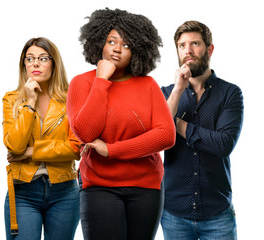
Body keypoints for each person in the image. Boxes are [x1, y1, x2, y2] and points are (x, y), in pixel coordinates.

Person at [66, 8, 176, 240]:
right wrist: (101, 80)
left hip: (146, 187)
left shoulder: (148, 85)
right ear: (98, 43)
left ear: (137, 50)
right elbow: (86, 132)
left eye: (126, 45)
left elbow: (166, 135)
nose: (117, 49)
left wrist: (112, 149)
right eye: (111, 41)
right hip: (99, 186)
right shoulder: (82, 83)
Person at [160, 21, 244, 240]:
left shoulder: (230, 94)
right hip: (174, 213)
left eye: (195, 43)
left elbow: (223, 144)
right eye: (182, 45)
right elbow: (160, 137)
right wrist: (178, 89)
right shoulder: (166, 94)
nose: (188, 50)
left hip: (217, 212)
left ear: (209, 49)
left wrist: (178, 125)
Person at [2, 37, 81, 240]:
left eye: (43, 58)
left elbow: (74, 149)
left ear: (54, 63)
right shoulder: (11, 99)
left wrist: (30, 152)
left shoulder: (71, 98)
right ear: (24, 65)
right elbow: (14, 145)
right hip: (23, 192)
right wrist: (29, 102)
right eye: (29, 59)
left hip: (65, 191)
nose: (35, 63)